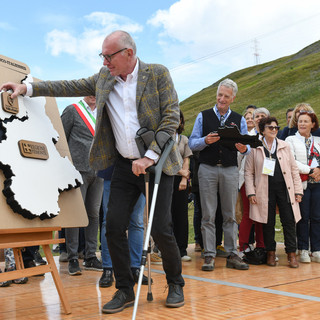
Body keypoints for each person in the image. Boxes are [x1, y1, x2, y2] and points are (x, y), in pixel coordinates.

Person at [0, 30, 185, 313]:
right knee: (112, 227)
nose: (105, 61)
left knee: (160, 228)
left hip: (157, 165)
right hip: (124, 165)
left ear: (129, 54)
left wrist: (149, 157)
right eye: (102, 56)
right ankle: (124, 289)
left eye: (109, 56)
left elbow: (171, 117)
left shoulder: (158, 74)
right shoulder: (103, 77)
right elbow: (67, 85)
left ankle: (175, 283)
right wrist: (28, 89)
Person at [189, 78, 250, 272]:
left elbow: (247, 147)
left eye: (226, 96)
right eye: (219, 95)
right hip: (207, 168)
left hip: (230, 169)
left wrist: (243, 148)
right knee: (207, 214)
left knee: (230, 214)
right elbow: (192, 143)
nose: (221, 99)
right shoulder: (203, 116)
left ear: (233, 98)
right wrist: (205, 141)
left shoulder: (239, 119)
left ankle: (232, 253)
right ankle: (209, 255)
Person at [245, 117, 303, 268]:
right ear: (262, 130)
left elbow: (294, 169)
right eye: (270, 128)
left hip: (285, 189)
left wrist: (298, 191)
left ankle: (291, 254)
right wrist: (251, 193)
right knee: (268, 222)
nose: (274, 130)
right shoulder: (255, 147)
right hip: (264, 190)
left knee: (289, 221)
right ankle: (270, 253)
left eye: (276, 128)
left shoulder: (284, 146)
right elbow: (248, 172)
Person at [60, 96, 104, 276]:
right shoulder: (73, 110)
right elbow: (61, 138)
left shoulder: (103, 112)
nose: (93, 94)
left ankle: (90, 255)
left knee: (93, 213)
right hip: (78, 170)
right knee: (76, 214)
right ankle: (72, 257)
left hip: (99, 170)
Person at [98, 166, 150, 287]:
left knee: (137, 221)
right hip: (112, 171)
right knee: (109, 221)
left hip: (139, 172)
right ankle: (108, 269)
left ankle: (135, 268)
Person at [285, 111, 320, 263]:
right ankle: (304, 249)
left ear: (313, 124)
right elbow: (292, 161)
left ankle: (317, 249)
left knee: (317, 218)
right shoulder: (290, 140)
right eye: (300, 121)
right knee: (303, 218)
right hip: (302, 184)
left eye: (306, 121)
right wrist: (310, 170)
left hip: (317, 184)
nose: (302, 124)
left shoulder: (318, 140)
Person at [238, 111, 264, 256]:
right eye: (257, 116)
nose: (260, 118)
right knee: (248, 214)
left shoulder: (272, 138)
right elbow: (239, 159)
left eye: (262, 116)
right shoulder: (247, 137)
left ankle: (262, 246)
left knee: (263, 215)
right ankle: (243, 247)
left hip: (265, 181)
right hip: (247, 180)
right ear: (253, 121)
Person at [171, 110, 192, 261]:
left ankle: (182, 249)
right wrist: (181, 172)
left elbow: (187, 158)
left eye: (177, 119)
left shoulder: (183, 139)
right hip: (166, 178)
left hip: (181, 181)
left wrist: (184, 178)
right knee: (167, 215)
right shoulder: (163, 138)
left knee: (181, 215)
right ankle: (167, 249)